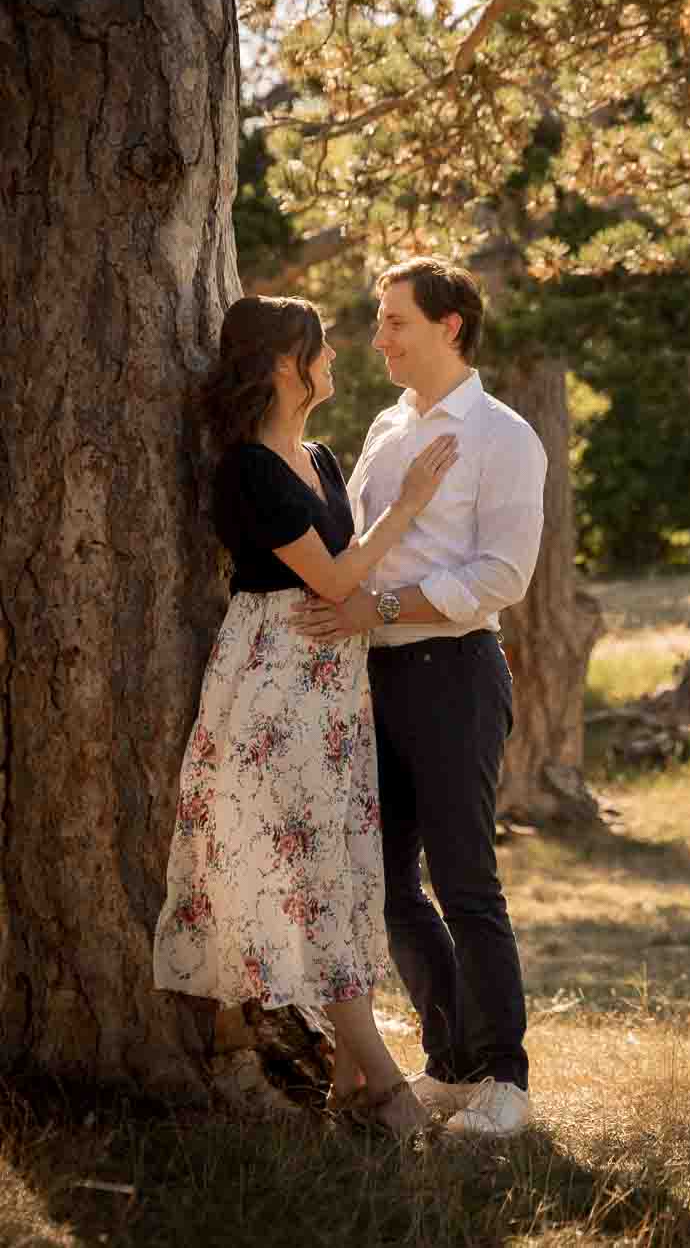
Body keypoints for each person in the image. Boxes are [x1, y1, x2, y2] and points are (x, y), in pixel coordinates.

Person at [153, 293, 458, 1136]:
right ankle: (390, 1096)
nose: (337, 358)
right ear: (287, 362)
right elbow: (331, 582)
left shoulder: (320, 458)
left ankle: (352, 1090)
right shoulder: (247, 467)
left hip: (331, 689)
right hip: (271, 687)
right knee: (306, 880)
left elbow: (348, 584)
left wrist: (367, 577)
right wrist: (410, 502)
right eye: (322, 346)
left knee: (345, 873)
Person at [292, 256, 547, 1139]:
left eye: (395, 320)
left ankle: (506, 1081)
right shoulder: (385, 425)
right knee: (389, 887)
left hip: (454, 675)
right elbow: (362, 540)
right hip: (370, 678)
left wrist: (382, 605)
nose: (379, 337)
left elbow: (503, 575)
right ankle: (454, 1065)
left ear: (451, 326)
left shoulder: (504, 436)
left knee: (466, 880)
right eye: (378, 318)